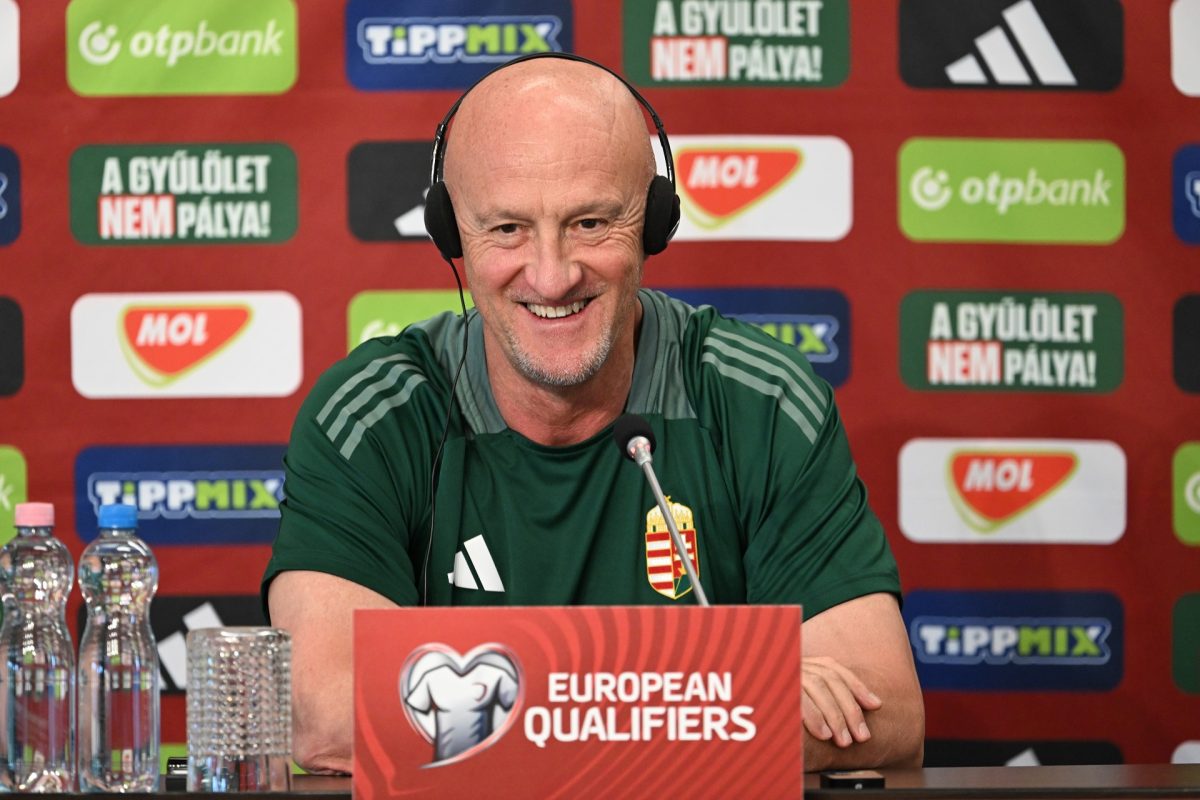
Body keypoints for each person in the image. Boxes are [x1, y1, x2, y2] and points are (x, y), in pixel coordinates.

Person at [263, 54, 924, 775]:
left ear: (654, 222)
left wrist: (502, 712)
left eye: (590, 222)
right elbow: (327, 715)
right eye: (508, 228)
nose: (552, 275)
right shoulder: (375, 417)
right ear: (452, 234)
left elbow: (884, 710)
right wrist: (715, 695)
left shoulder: (759, 401)